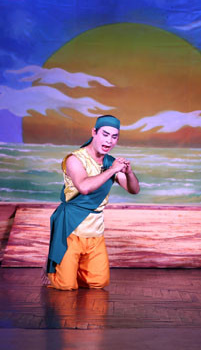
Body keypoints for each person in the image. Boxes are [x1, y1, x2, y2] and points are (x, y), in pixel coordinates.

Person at [46, 115, 140, 290]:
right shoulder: (74, 159)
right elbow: (84, 187)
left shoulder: (110, 162)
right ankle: (55, 273)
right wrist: (112, 170)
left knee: (98, 283)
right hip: (71, 227)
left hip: (96, 230)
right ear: (94, 132)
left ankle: (73, 271)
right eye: (105, 134)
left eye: (114, 136)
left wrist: (129, 172)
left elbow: (134, 190)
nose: (109, 141)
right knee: (66, 286)